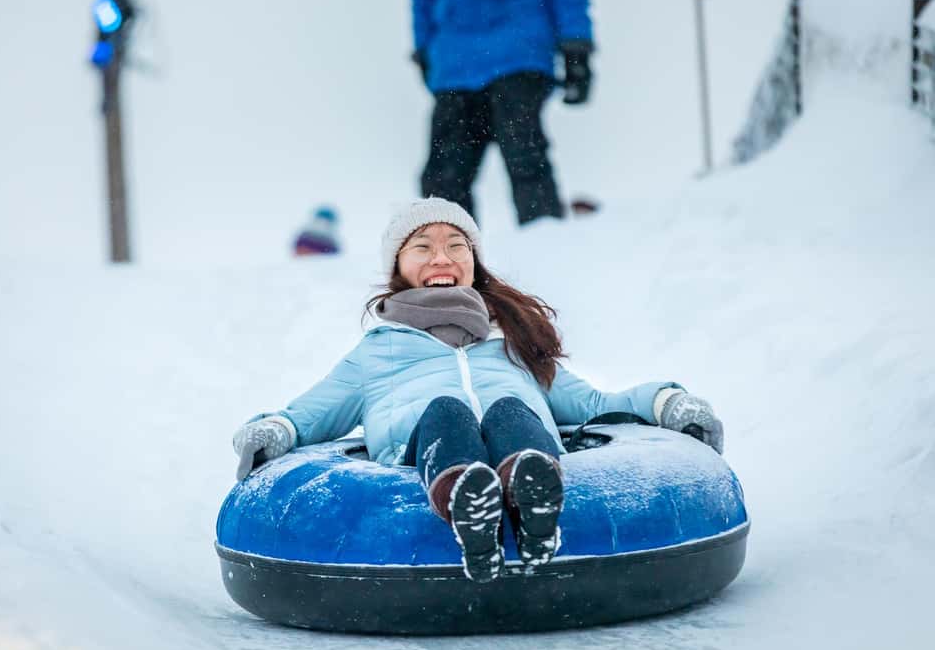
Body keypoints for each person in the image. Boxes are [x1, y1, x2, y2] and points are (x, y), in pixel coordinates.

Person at [232, 198, 724, 583]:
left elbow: (597, 405)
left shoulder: (511, 341)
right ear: (399, 267)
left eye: (457, 245)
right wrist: (271, 431)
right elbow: (310, 414)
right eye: (422, 246)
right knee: (446, 410)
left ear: (474, 261)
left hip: (524, 444)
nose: (441, 257)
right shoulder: (377, 352)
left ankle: (532, 497)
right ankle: (467, 499)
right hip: (420, 455)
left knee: (511, 408)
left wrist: (667, 400)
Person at [409, 0, 597, 225]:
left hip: (518, 49)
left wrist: (576, 42)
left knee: (525, 158)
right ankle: (453, 269)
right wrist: (424, 45)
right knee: (442, 181)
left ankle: (547, 255)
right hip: (454, 60)